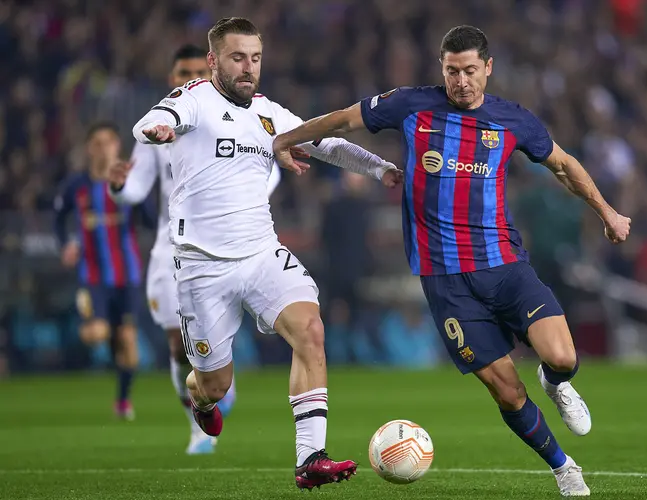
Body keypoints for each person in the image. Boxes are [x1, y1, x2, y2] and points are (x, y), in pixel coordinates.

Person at [271, 25, 632, 497]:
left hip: (505, 265)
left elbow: (562, 164)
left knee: (562, 356)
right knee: (506, 390)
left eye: (469, 71)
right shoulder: (411, 105)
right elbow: (341, 120)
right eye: (451, 71)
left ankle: (557, 381)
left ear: (488, 68)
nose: (460, 81)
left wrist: (606, 212)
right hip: (447, 284)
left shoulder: (513, 120)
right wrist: (286, 139)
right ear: (442, 69)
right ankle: (565, 468)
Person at [130, 17, 402, 490]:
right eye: (237, 58)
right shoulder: (193, 99)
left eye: (255, 58)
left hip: (260, 254)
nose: (248, 67)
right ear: (214, 60)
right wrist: (157, 131)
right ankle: (202, 399)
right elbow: (154, 120)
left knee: (310, 330)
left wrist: (381, 170)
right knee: (215, 384)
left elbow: (328, 145)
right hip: (201, 266)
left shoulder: (270, 113)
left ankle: (310, 458)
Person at [108, 44, 278, 454]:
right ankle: (198, 426)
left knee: (216, 332)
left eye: (196, 70)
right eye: (181, 70)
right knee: (174, 343)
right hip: (171, 247)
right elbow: (135, 188)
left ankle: (216, 381)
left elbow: (266, 173)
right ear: (171, 77)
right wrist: (117, 187)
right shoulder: (161, 126)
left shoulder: (232, 118)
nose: (189, 77)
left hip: (231, 238)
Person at [54, 122, 148, 421]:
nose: (103, 147)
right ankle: (106, 337)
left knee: (130, 347)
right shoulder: (76, 185)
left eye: (109, 141)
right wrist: (65, 244)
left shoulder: (131, 182)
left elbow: (150, 218)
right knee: (98, 333)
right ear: (88, 148)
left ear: (117, 146)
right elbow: (58, 218)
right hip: (93, 276)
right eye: (97, 142)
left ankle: (122, 401)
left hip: (129, 276)